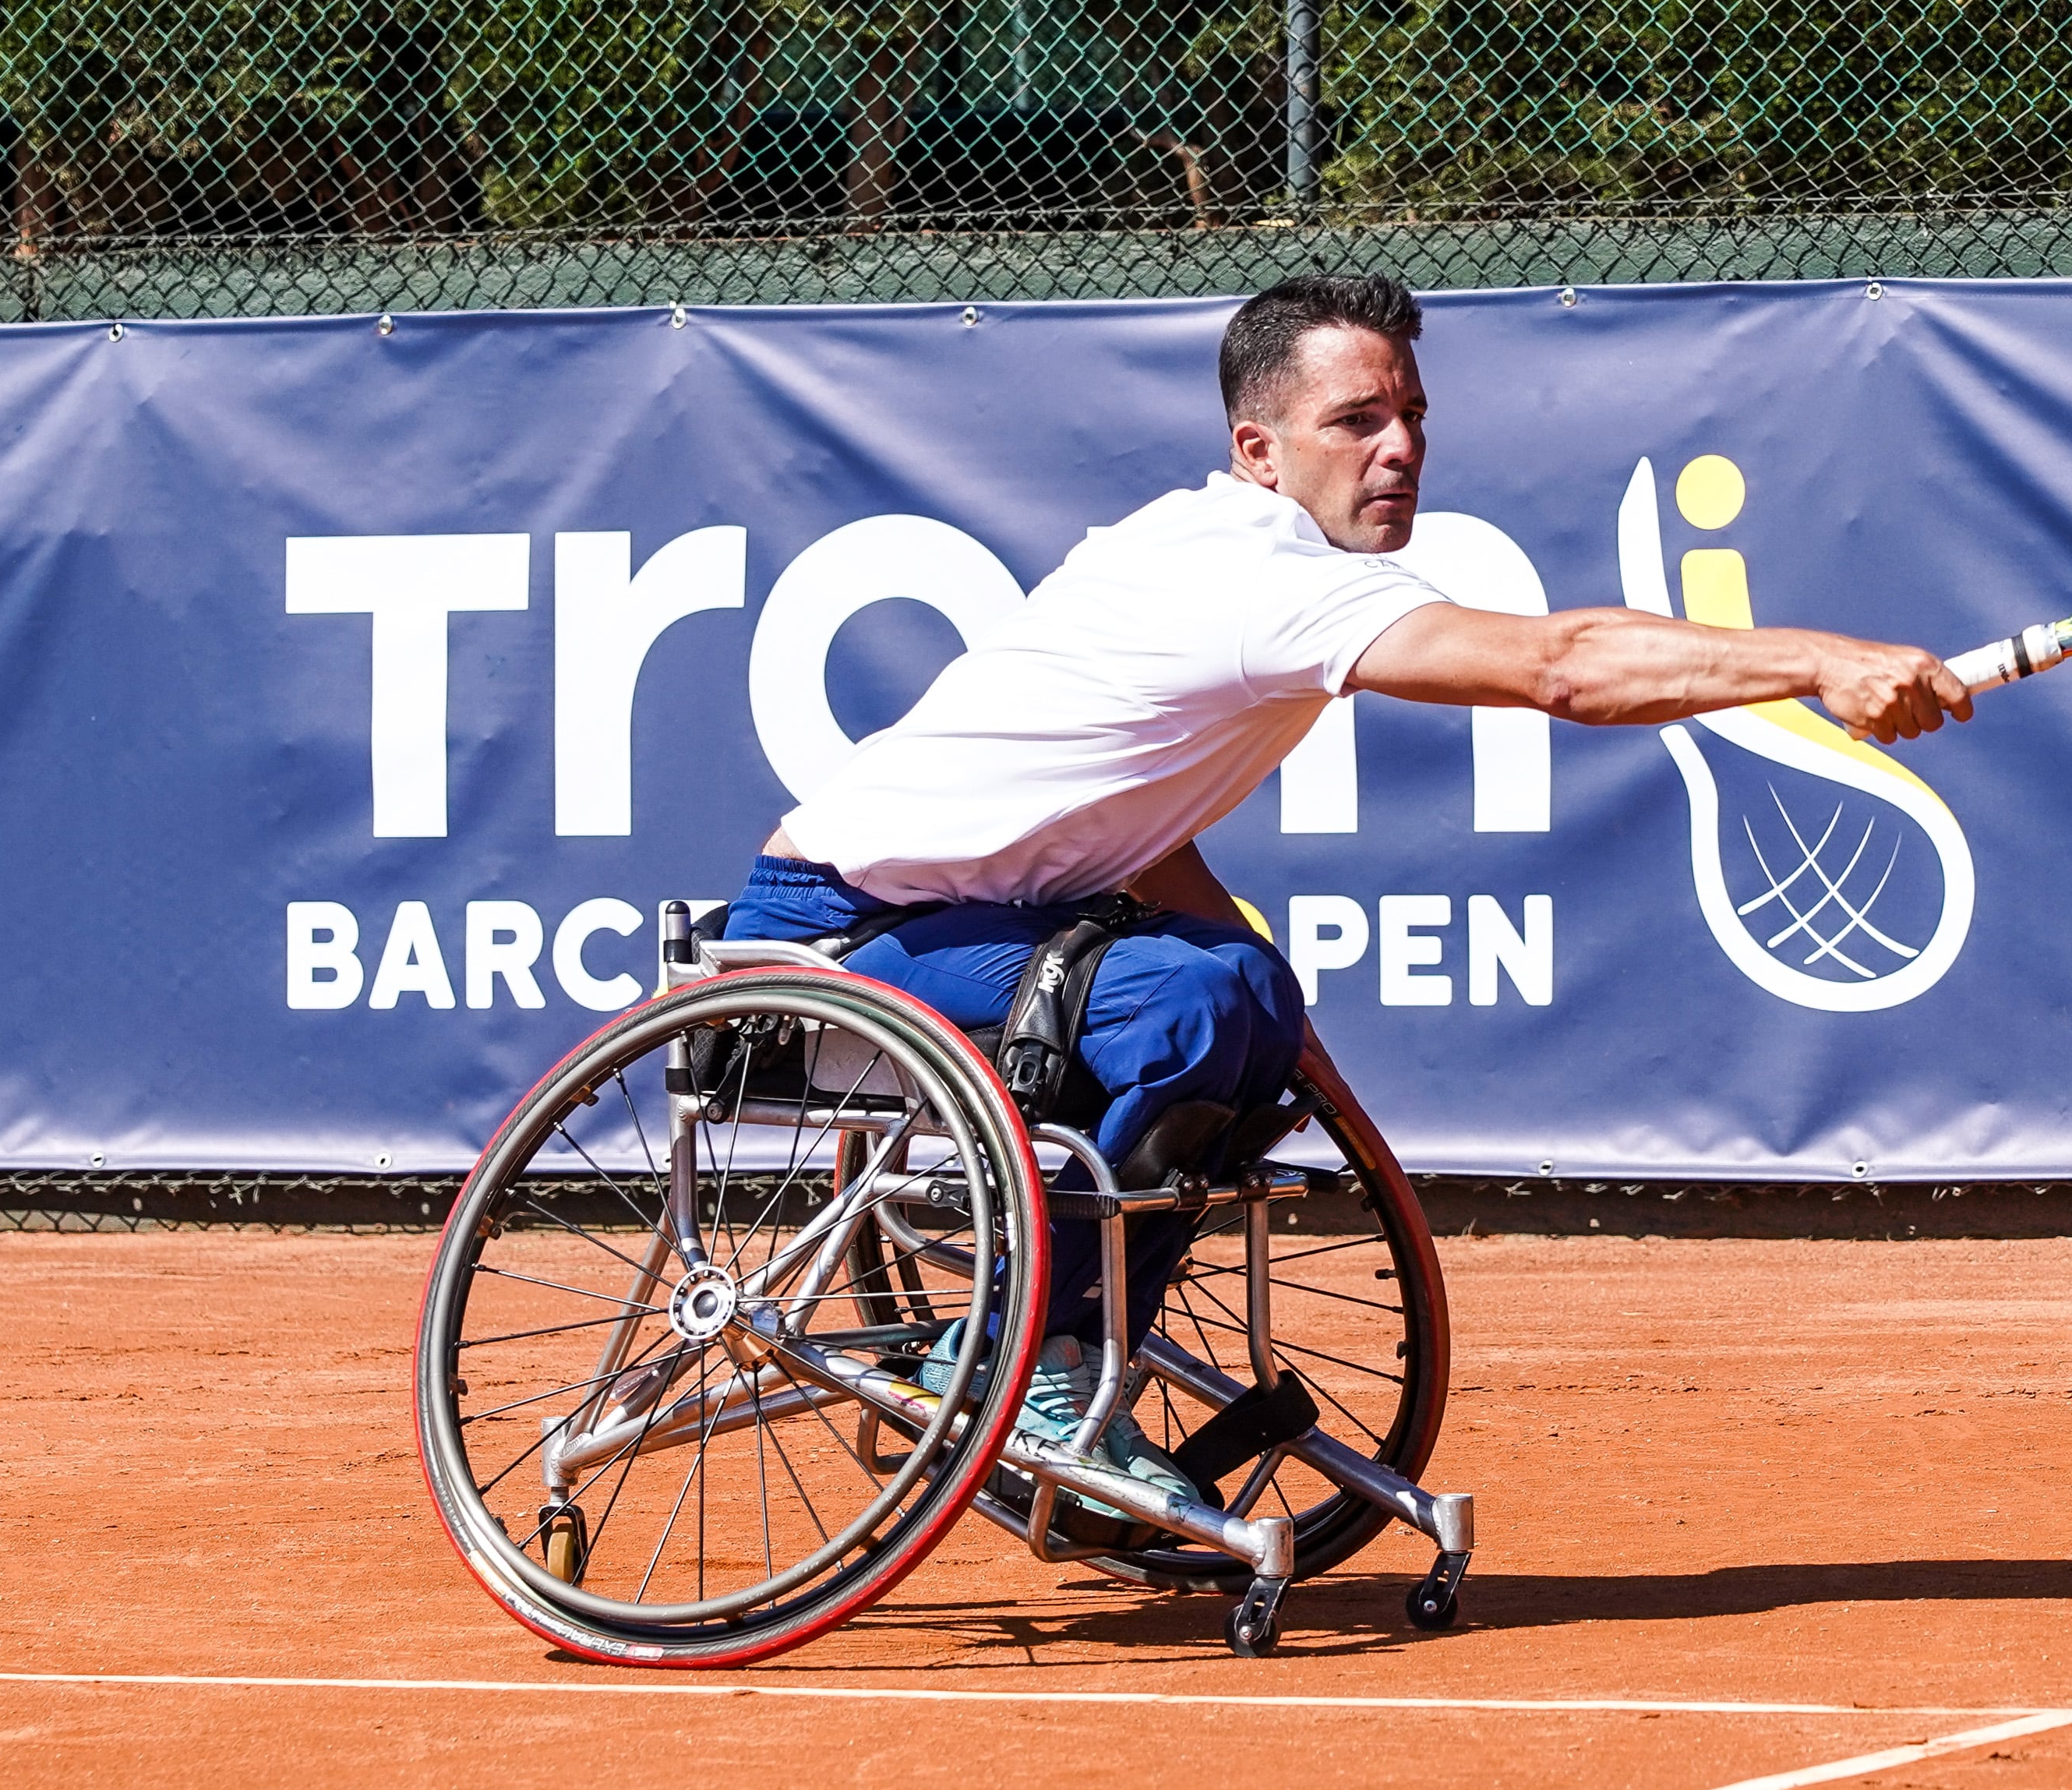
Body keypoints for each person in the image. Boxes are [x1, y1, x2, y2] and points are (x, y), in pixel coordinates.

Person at [724, 271, 1966, 1501]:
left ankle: (1057, 1345)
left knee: (1241, 993)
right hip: (839, 943)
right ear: (1260, 450)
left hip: (965, 932)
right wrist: (1817, 661)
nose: (1401, 448)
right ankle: (1023, 1355)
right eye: (1357, 421)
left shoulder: (1222, 549)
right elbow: (1563, 669)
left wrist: (1279, 1048)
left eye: (1413, 414)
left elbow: (1133, 839)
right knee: (1194, 1002)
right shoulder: (1254, 579)